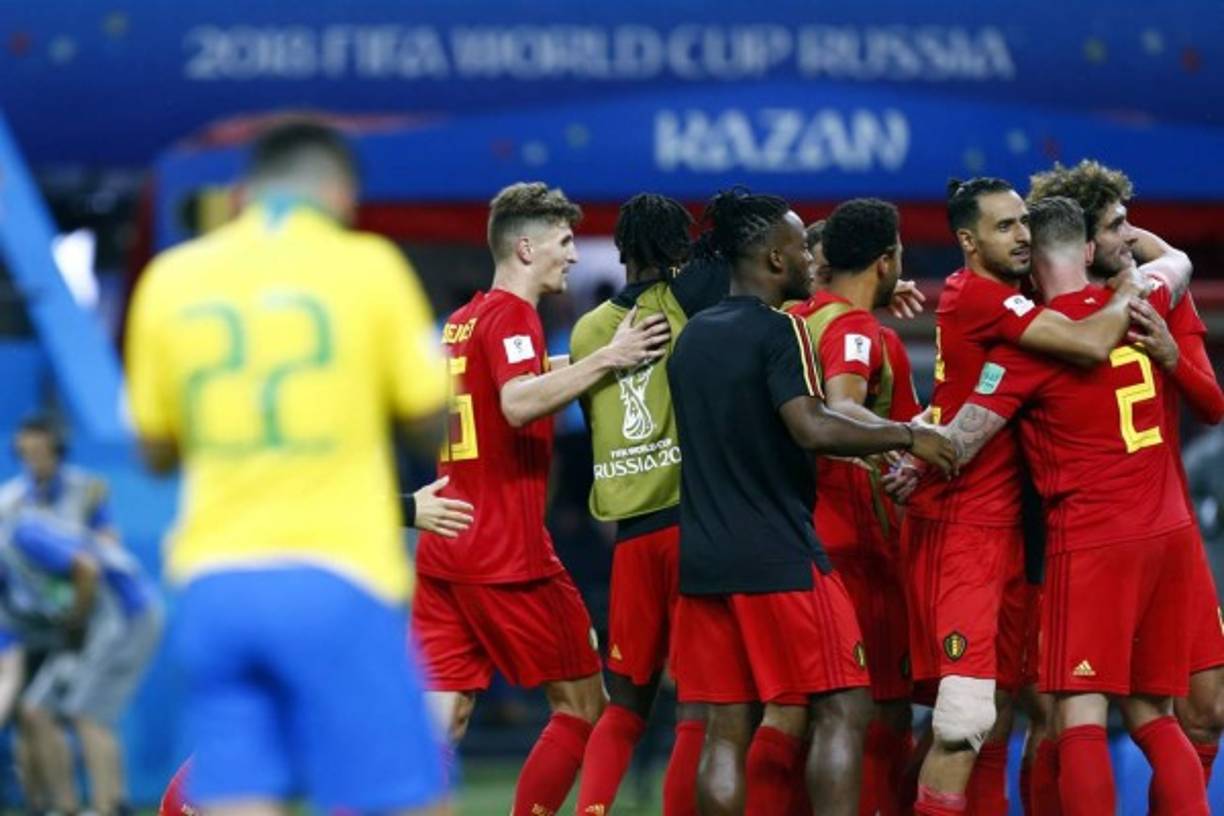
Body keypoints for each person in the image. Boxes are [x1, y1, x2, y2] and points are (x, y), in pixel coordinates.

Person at [126, 119, 451, 815]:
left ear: (241, 195)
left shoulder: (171, 278)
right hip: (337, 576)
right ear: (339, 195)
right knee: (403, 800)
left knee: (238, 799)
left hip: (214, 584)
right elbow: (431, 420)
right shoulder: (367, 265)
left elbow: (153, 450)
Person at [666, 188, 955, 816]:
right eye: (801, 247)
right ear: (774, 258)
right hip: (781, 554)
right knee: (845, 707)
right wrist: (910, 434)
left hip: (705, 561)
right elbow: (815, 427)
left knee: (725, 729)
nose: (811, 260)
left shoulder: (691, 339)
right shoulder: (780, 332)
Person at [936, 196, 1208, 816]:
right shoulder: (1147, 302)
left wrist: (900, 447)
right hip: (1168, 532)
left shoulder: (1029, 348)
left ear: (1032, 260)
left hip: (1092, 542)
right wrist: (1140, 261)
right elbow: (1181, 262)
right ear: (1088, 251)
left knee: (1078, 713)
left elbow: (961, 443)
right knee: (1155, 716)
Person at [410, 181, 670, 816]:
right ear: (525, 248)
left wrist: (580, 360)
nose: (575, 256)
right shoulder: (512, 316)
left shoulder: (466, 318)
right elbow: (517, 401)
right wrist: (610, 360)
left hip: (447, 546)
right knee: (584, 709)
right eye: (564, 241)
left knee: (442, 718)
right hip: (509, 555)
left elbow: (513, 379)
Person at [893, 177, 1148, 815]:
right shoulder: (985, 297)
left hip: (1019, 534)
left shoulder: (1011, 300)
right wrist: (1129, 287)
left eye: (1024, 225)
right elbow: (1090, 343)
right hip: (966, 531)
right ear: (966, 240)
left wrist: (929, 427)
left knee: (1017, 708)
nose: (1021, 236)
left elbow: (973, 395)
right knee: (965, 717)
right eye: (1004, 227)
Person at [1029, 159, 1224, 793]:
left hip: (1143, 526)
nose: (1132, 236)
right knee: (1056, 716)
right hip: (1071, 530)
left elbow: (1212, 405)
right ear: (1084, 244)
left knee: (1191, 712)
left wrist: (1173, 357)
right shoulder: (1062, 307)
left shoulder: (1148, 303)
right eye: (1118, 226)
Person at [155, 476, 476, 816]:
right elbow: (304, 500)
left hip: (237, 597)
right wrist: (408, 507)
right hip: (304, 601)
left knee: (255, 739)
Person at [569, 193, 708, 816]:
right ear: (678, 249)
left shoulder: (587, 331)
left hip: (630, 536)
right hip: (691, 526)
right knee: (698, 706)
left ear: (621, 250)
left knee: (625, 704)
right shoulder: (687, 306)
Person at [787, 198, 922, 815]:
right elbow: (842, 407)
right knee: (879, 716)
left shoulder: (792, 317)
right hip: (860, 544)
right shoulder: (861, 331)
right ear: (884, 260)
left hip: (793, 537)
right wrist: (916, 439)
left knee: (796, 717)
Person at [0, 511, 161, 816]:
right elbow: (9, 671)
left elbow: (86, 568)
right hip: (85, 628)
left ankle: (109, 807)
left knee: (88, 713)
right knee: (36, 710)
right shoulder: (4, 592)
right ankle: (65, 808)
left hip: (126, 612)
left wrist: (75, 624)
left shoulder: (21, 533)